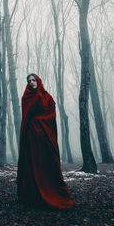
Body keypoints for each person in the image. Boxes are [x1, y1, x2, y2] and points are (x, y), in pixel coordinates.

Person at [17, 73, 75, 209]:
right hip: (32, 137)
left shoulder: (47, 97)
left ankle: (52, 191)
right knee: (33, 164)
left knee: (48, 162)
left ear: (38, 81)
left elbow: (51, 113)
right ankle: (33, 195)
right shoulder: (26, 97)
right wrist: (33, 126)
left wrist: (38, 121)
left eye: (33, 80)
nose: (31, 82)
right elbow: (26, 118)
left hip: (45, 136)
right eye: (29, 81)